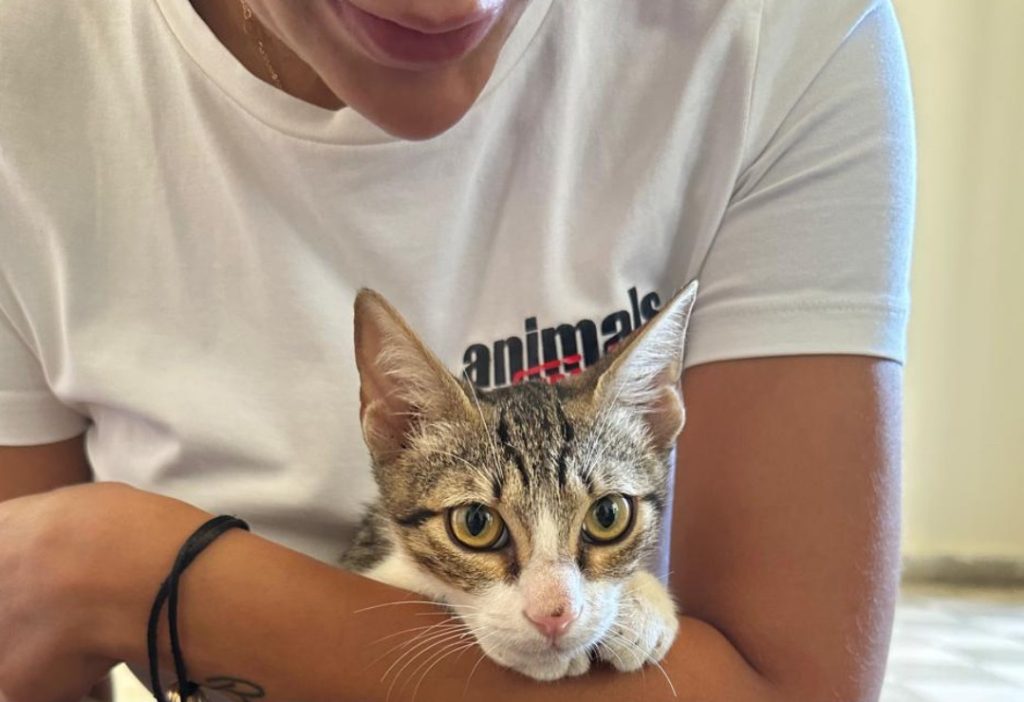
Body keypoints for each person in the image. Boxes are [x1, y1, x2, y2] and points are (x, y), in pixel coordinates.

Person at [0, 0, 914, 700]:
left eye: (604, 522)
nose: (443, 9)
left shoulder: (779, 33)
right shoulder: (31, 67)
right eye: (481, 529)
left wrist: (124, 570)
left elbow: (790, 685)